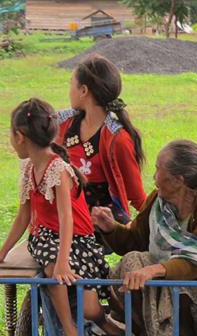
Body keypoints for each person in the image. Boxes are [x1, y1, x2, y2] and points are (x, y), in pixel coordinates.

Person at [0, 98, 125, 336]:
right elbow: (24, 216)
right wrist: (2, 253)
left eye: (10, 136)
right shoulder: (28, 170)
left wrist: (64, 261)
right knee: (51, 269)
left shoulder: (58, 169)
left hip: (79, 240)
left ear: (20, 136)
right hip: (48, 237)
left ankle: (104, 322)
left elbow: (66, 217)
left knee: (91, 308)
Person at [92, 139, 197, 336]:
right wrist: (110, 228)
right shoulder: (156, 200)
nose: (154, 177)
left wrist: (155, 270)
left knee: (170, 277)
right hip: (152, 287)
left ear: (177, 181)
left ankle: (186, 333)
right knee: (134, 260)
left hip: (194, 299)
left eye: (157, 169)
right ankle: (146, 332)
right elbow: (135, 241)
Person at [56, 54, 146, 226]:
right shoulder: (63, 124)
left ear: (83, 91)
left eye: (70, 84)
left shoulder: (118, 140)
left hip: (101, 221)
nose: (69, 90)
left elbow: (136, 195)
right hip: (64, 213)